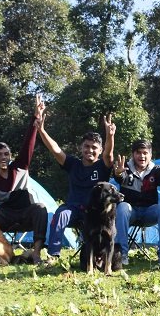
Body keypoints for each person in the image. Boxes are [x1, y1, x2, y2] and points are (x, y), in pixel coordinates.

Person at [0, 96, 48, 264]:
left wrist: (35, 117)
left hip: (26, 213)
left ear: (11, 156)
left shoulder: (20, 166)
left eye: (6, 154)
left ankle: (36, 253)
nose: (3, 157)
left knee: (41, 208)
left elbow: (29, 143)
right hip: (5, 216)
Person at [39, 112, 115, 262]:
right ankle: (53, 255)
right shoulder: (73, 164)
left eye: (94, 147)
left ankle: (101, 256)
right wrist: (41, 130)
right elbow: (55, 149)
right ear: (81, 148)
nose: (90, 150)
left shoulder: (102, 166)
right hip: (73, 209)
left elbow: (109, 155)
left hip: (94, 214)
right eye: (86, 146)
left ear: (99, 150)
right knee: (61, 214)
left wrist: (110, 135)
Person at [112, 140, 160, 267]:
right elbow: (120, 176)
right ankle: (121, 255)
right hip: (130, 213)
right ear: (133, 154)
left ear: (150, 155)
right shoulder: (126, 167)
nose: (142, 156)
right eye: (138, 153)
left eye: (145, 153)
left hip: (148, 212)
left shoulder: (156, 170)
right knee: (122, 206)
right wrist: (118, 173)